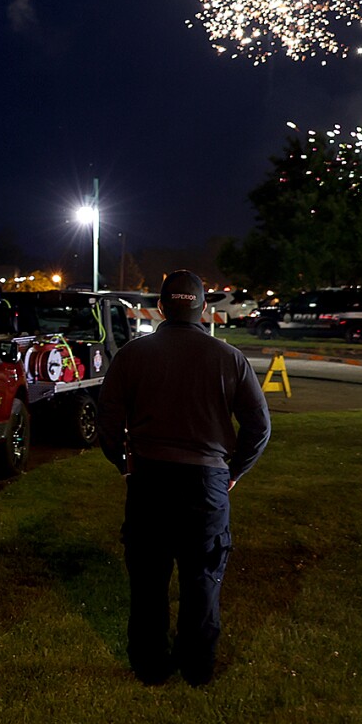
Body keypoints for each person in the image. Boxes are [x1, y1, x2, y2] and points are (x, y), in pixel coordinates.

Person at [98, 269, 271, 686]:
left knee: (149, 581)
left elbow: (107, 421)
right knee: (203, 579)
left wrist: (124, 463)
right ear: (203, 309)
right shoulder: (229, 358)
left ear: (160, 307)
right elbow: (259, 426)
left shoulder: (133, 355)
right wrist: (233, 472)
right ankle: (197, 666)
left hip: (150, 479)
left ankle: (150, 664)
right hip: (206, 483)